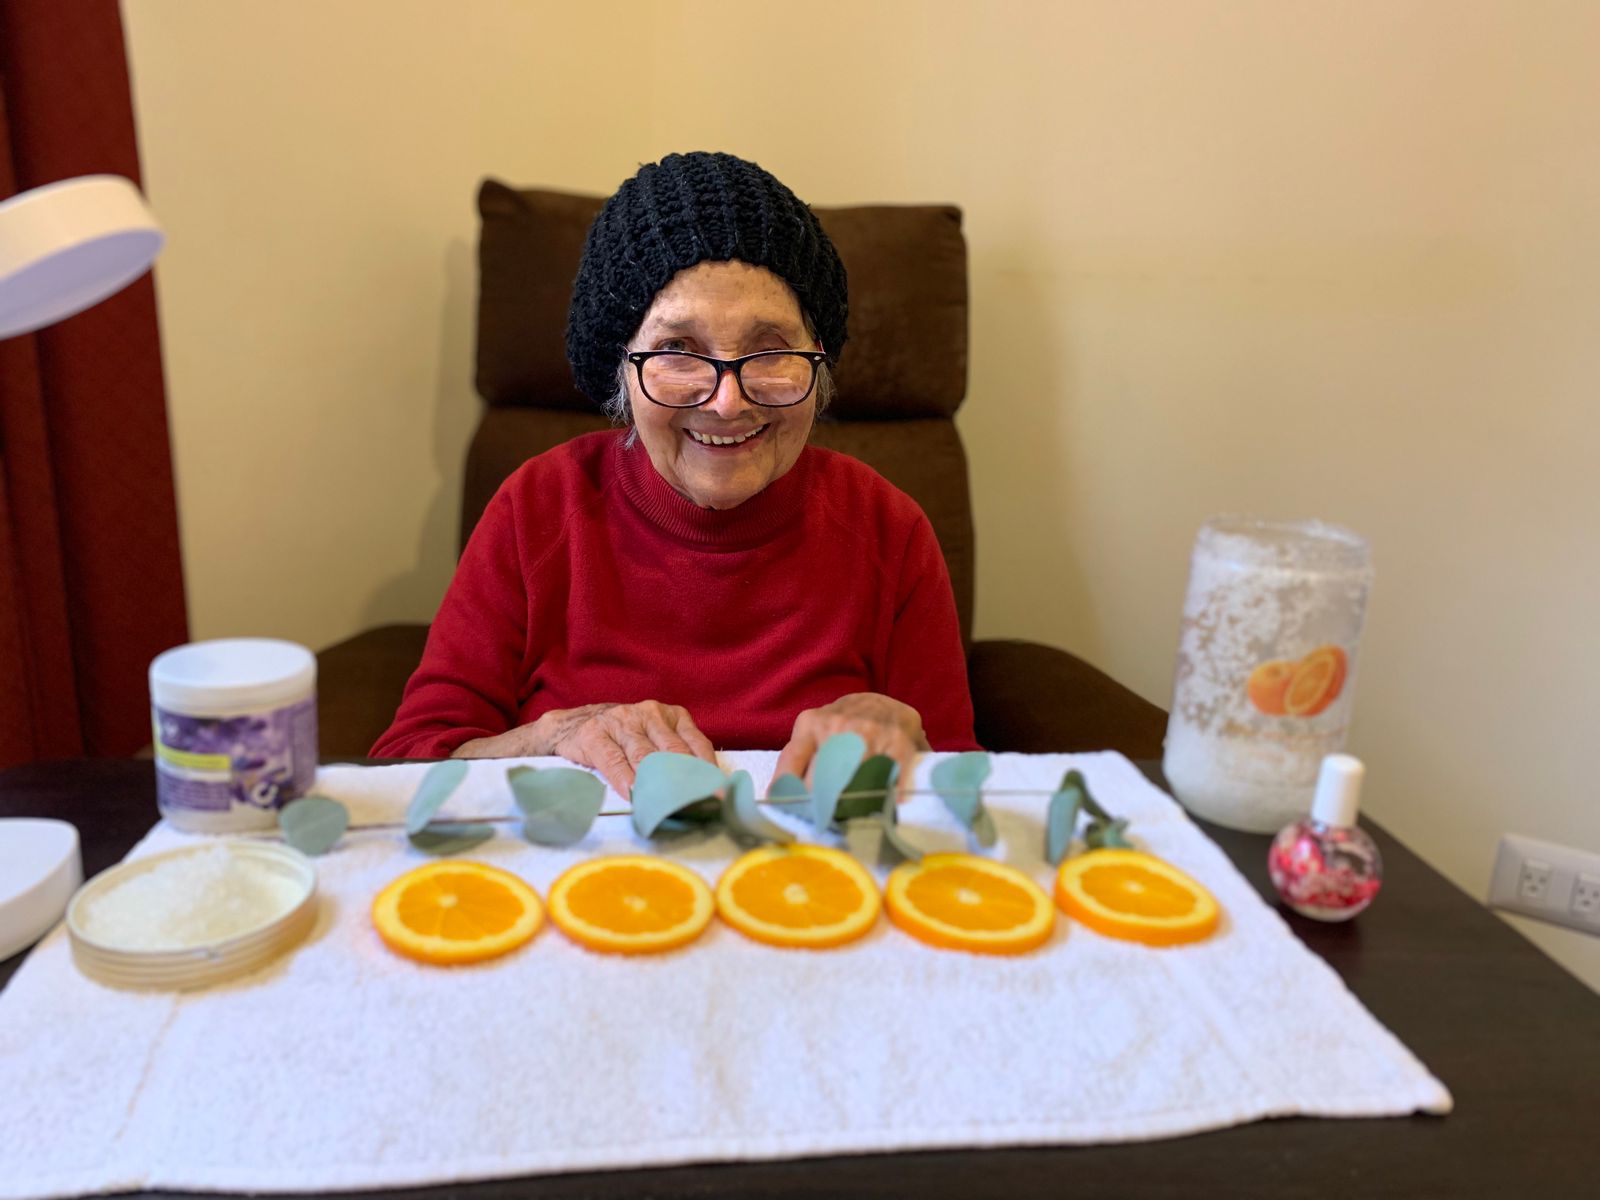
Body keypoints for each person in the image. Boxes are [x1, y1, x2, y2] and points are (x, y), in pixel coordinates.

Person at [372, 151, 978, 795]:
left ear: (819, 363)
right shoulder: (537, 508)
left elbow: (966, 783)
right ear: (621, 368)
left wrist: (908, 736)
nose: (727, 402)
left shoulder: (890, 529)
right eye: (676, 351)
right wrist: (549, 737)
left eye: (771, 349)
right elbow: (405, 765)